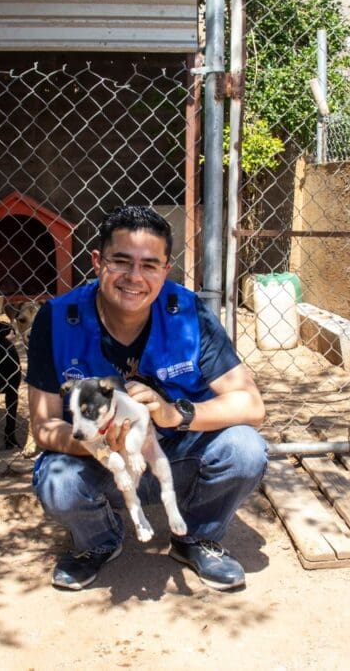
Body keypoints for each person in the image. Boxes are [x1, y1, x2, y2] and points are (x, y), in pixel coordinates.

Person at [27, 205, 268, 591]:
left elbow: (251, 405)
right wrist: (100, 445)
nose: (134, 278)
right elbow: (44, 427)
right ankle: (99, 541)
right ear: (96, 262)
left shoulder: (190, 313)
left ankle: (196, 538)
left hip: (177, 457)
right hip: (102, 464)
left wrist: (176, 414)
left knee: (245, 449)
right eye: (121, 262)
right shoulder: (57, 319)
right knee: (57, 481)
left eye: (149, 265)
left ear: (166, 269)